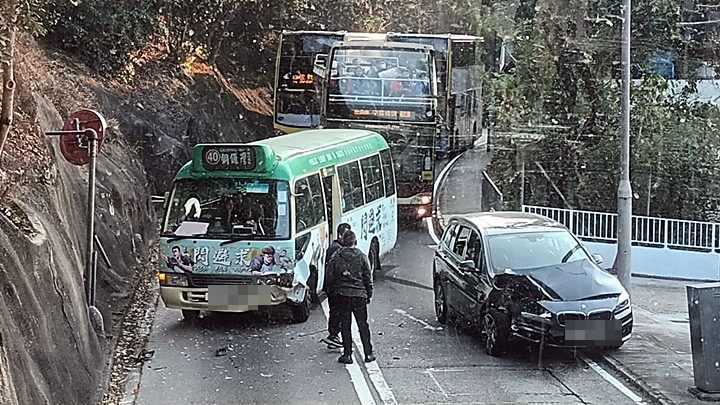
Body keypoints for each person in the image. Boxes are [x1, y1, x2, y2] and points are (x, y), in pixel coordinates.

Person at [326, 230, 375, 364]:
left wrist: (332, 293)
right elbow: (367, 278)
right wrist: (368, 294)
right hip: (359, 295)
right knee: (363, 325)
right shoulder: (362, 256)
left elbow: (329, 277)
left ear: (343, 242)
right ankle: (368, 353)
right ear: (355, 242)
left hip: (342, 295)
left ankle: (347, 354)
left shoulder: (336, 256)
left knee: (345, 325)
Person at [321, 223, 352, 349]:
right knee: (337, 312)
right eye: (345, 234)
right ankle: (333, 335)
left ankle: (334, 335)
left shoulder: (336, 247)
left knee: (336, 311)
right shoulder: (336, 249)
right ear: (339, 235)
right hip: (335, 288)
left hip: (334, 287)